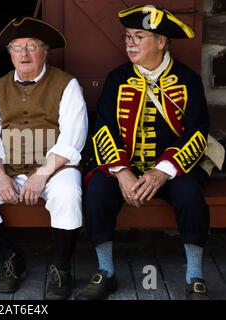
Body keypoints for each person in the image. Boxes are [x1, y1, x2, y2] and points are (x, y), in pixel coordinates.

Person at [77, 5, 210, 300]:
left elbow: (198, 133)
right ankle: (106, 271)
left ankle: (195, 275)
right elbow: (103, 128)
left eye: (139, 36)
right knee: (97, 191)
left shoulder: (188, 80)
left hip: (171, 169)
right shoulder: (117, 78)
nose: (130, 43)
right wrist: (122, 172)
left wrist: (162, 171)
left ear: (161, 42)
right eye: (127, 37)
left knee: (190, 196)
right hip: (125, 167)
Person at [0, 16, 88, 300]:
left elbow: (72, 138)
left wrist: (41, 175)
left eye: (31, 46)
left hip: (55, 167)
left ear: (45, 51)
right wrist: (0, 174)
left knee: (68, 194)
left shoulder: (67, 84)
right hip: (10, 167)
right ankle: (12, 258)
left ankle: (62, 266)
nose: (24, 53)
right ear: (10, 54)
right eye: (17, 47)